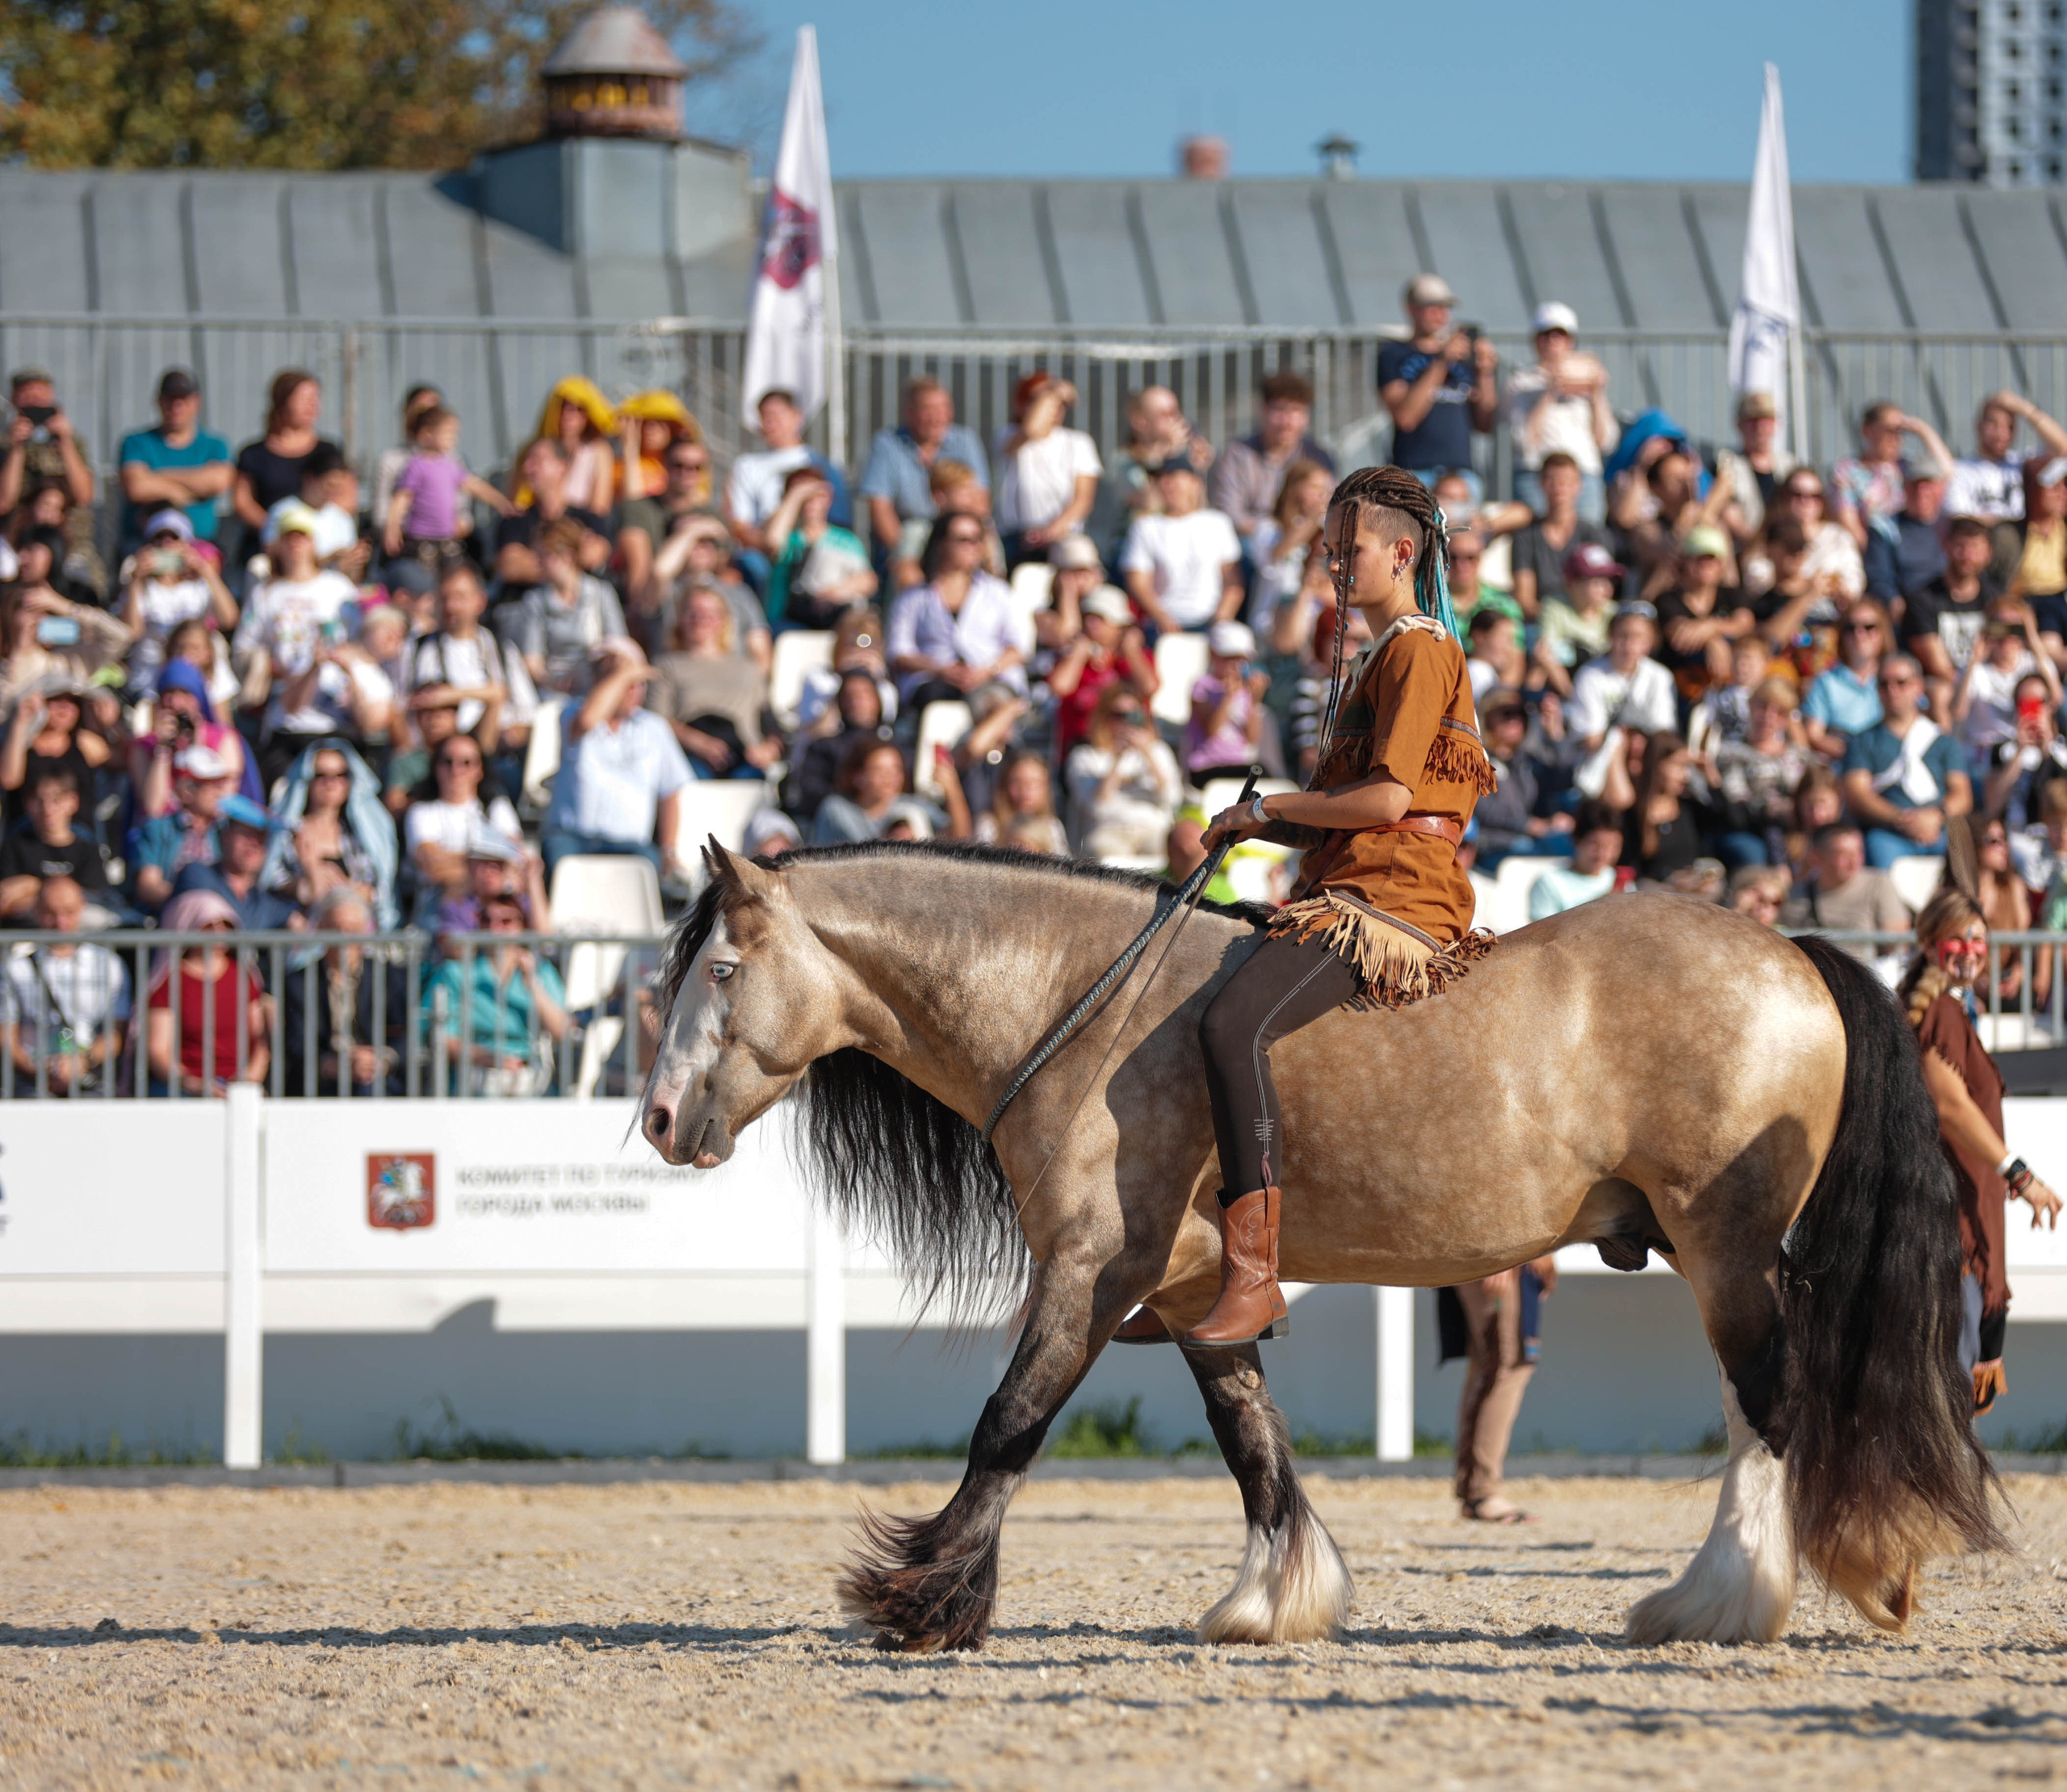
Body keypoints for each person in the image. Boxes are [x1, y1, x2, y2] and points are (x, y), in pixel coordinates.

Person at [1160, 467, 1492, 1348]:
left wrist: (1265, 811)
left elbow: (1385, 805)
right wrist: (1256, 824)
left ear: (1402, 552)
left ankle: (1250, 1277)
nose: (1336, 569)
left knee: (1230, 1028)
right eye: (1328, 554)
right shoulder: (1386, 656)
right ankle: (1202, 1266)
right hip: (1347, 882)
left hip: (1390, 898)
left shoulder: (1420, 649)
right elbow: (1338, 820)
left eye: (1349, 554)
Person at [1902, 885, 2062, 1416]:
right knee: (1946, 1405)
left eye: (1979, 939)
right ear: (1930, 945)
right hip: (1950, 1234)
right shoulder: (1941, 1011)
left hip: (1962, 1224)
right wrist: (2020, 1175)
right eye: (1959, 939)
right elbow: (1949, 1104)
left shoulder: (1945, 1009)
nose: (1972, 949)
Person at [234, 507, 388, 781]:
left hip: (337, 715)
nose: (296, 544)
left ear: (314, 543)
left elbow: (364, 643)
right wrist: (270, 668)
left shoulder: (339, 587)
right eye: (289, 537)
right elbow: (243, 649)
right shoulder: (265, 593)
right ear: (278, 543)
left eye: (303, 536)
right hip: (286, 715)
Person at [541, 643, 691, 876]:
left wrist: (668, 851)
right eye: (619, 681)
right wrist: (626, 673)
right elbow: (588, 719)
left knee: (652, 874)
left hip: (630, 845)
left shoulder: (655, 727)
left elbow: (669, 793)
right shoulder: (571, 712)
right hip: (573, 839)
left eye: (635, 682)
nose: (630, 689)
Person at [422, 888, 570, 1097]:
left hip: (531, 1080)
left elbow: (561, 1030)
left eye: (506, 921)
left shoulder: (541, 971)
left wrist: (533, 986)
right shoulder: (456, 972)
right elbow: (441, 1036)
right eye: (486, 919)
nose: (494, 928)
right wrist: (485, 1058)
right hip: (475, 1081)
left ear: (522, 926)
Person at [1445, 1254, 1557, 1523]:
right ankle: (1482, 1492)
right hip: (1503, 1256)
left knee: (1491, 1367)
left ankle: (1476, 1491)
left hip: (1501, 1255)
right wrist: (1503, 1257)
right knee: (1507, 1366)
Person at [0, 876, 129, 1095]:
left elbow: (115, 1034)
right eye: (51, 913)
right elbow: (6, 1037)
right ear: (37, 911)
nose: (61, 923)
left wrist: (82, 1062)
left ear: (83, 907)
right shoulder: (15, 967)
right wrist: (39, 1072)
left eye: (69, 912)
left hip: (89, 1078)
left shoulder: (108, 964)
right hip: (30, 1081)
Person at [1842, 654, 1972, 867]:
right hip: (1887, 834)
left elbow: (1962, 794)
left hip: (1940, 830)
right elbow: (1857, 795)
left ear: (1918, 686)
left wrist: (1936, 817)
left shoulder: (1943, 741)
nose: (1892, 690)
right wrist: (1904, 820)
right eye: (1884, 684)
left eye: (1901, 682)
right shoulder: (1862, 741)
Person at [279, 889, 411, 1097]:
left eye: (352, 930)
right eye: (336, 929)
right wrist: (330, 1065)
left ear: (366, 931)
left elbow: (408, 1034)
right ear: (321, 930)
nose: (344, 939)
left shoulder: (390, 977)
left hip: (378, 1079)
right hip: (322, 1083)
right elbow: (295, 1043)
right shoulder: (298, 983)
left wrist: (381, 1059)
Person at [887, 516, 1025, 710]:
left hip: (992, 678)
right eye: (964, 540)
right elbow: (899, 652)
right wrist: (940, 669)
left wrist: (987, 671)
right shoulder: (912, 598)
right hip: (933, 682)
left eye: (978, 539)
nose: (973, 546)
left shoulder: (999, 593)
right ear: (941, 544)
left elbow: (1019, 646)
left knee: (993, 702)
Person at [1377, 276, 1499, 492]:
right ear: (1411, 309)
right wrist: (1441, 362)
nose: (1441, 314)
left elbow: (1485, 423)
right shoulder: (1393, 355)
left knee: (1463, 528)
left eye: (1446, 307)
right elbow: (1406, 417)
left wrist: (1485, 373)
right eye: (1432, 307)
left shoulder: (1463, 356)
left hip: (1462, 475)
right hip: (1413, 472)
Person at [262, 739, 400, 928]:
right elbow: (272, 883)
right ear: (307, 780)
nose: (331, 783)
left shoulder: (361, 834)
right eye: (321, 775)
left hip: (356, 941)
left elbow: (377, 891)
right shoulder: (287, 834)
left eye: (340, 775)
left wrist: (338, 887)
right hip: (301, 941)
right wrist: (312, 873)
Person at [145, 888, 269, 1096]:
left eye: (224, 924)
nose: (218, 931)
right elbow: (158, 1050)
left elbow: (261, 1043)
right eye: (208, 925)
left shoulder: (243, 977)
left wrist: (247, 1082)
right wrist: (192, 1084)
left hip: (238, 1086)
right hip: (184, 1090)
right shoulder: (170, 981)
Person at [648, 586, 778, 781]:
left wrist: (769, 749)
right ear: (681, 619)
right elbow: (656, 721)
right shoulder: (666, 666)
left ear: (723, 620)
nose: (702, 619)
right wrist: (699, 743)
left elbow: (768, 720)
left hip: (744, 755)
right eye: (694, 612)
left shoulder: (748, 668)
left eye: (710, 613)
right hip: (689, 754)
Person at [859, 378, 989, 569]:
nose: (937, 417)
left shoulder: (966, 441)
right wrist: (907, 558)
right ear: (910, 413)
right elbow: (880, 508)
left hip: (958, 532)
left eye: (943, 408)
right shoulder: (887, 444)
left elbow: (981, 502)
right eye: (928, 409)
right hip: (909, 537)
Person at [1503, 303, 1616, 522]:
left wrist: (1597, 393)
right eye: (1546, 335)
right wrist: (1550, 392)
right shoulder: (1520, 382)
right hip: (1537, 477)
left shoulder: (1587, 380)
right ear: (1536, 341)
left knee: (1585, 545)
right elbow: (1523, 440)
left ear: (1570, 341)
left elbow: (1606, 441)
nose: (1553, 343)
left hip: (1584, 478)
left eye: (1560, 336)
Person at [1207, 371, 1336, 547]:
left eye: (1296, 411)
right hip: (1250, 545)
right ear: (1263, 410)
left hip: (1305, 541)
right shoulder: (1238, 454)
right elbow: (1229, 512)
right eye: (1280, 410)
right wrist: (1271, 536)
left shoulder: (1318, 457)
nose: (1287, 422)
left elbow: (1331, 507)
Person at [381, 404, 514, 574]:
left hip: (447, 538)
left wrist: (502, 503)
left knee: (452, 574)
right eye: (448, 433)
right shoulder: (417, 466)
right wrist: (392, 528)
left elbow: (475, 486)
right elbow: (402, 498)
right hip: (421, 539)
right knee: (424, 578)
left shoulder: (451, 466)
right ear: (426, 434)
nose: (453, 439)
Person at [117, 509, 239, 693]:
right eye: (159, 539)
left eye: (174, 539)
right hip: (151, 677)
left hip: (199, 673)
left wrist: (205, 571)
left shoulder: (199, 586)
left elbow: (229, 619)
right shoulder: (140, 586)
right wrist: (135, 582)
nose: (166, 544)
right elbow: (131, 632)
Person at [505, 517, 628, 695]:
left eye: (545, 556)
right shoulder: (535, 601)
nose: (538, 564)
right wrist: (555, 683)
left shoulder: (602, 593)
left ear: (568, 557)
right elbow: (533, 662)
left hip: (599, 689)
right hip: (554, 693)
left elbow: (619, 645)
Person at [404, 728, 524, 910]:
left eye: (466, 762)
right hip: (439, 904)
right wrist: (489, 864)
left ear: (480, 769)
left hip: (493, 907)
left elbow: (515, 858)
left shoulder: (498, 808)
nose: (456, 770)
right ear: (436, 767)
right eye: (448, 761)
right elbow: (431, 864)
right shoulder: (421, 811)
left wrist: (453, 863)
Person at [726, 388, 849, 565]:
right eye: (764, 417)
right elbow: (740, 525)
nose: (769, 424)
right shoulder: (746, 465)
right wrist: (771, 545)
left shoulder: (822, 466)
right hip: (762, 555)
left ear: (797, 416)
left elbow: (837, 522)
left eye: (776, 416)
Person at [117, 368, 233, 552]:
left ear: (197, 402)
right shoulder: (136, 442)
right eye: (170, 399)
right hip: (145, 544)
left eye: (184, 400)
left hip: (199, 544)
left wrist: (157, 477)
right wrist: (192, 490)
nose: (176, 406)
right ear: (159, 401)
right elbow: (137, 488)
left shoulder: (215, 444)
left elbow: (218, 482)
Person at [1120, 459, 1243, 632]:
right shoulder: (1145, 526)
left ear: (1195, 483)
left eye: (1173, 476)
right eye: (1161, 478)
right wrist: (1162, 618)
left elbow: (1233, 582)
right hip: (1162, 624)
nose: (1166, 483)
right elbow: (1138, 582)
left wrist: (1220, 620)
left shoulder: (1218, 523)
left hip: (1210, 621)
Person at [1062, 684, 1183, 859]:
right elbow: (1094, 807)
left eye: (1134, 715)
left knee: (1174, 853)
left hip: (1153, 829)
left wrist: (1148, 755)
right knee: (1104, 852)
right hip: (1109, 829)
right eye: (1118, 716)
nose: (1126, 723)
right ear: (1103, 717)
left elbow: (1173, 798)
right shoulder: (1084, 756)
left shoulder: (1158, 751)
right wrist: (1118, 760)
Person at [993, 373, 1101, 566]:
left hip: (1063, 537)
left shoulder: (1078, 442)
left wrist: (1050, 532)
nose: (1052, 406)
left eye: (1059, 403)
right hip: (1015, 538)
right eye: (1038, 400)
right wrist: (1054, 391)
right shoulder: (1007, 436)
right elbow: (1032, 430)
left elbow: (1083, 500)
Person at [1905, 516, 2001, 723]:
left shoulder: (1995, 600)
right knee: (1940, 693)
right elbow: (1937, 664)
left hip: (1987, 678)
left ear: (1988, 554)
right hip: (1947, 683)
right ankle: (1951, 754)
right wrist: (1968, 683)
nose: (1967, 555)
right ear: (1946, 546)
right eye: (1960, 546)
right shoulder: (1923, 598)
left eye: (1975, 548)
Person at [230, 370, 335, 559]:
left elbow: (347, 497)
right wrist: (278, 528)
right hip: (265, 548)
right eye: (304, 399)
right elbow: (242, 502)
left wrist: (307, 529)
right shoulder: (253, 454)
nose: (312, 405)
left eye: (315, 398)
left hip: (318, 548)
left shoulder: (328, 451)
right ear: (283, 402)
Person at [618, 432, 719, 626]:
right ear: (664, 465)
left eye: (696, 467)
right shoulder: (640, 509)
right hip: (659, 605)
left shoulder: (712, 514)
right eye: (679, 465)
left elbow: (724, 571)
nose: (687, 473)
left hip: (704, 606)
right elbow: (639, 589)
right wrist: (693, 532)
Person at [1046, 583, 1156, 755]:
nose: (1092, 624)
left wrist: (1133, 652)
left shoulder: (1136, 659)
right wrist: (1078, 655)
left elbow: (1149, 688)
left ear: (1119, 625)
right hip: (1082, 748)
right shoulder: (1071, 657)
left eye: (1101, 618)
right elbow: (1059, 687)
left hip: (1130, 745)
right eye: (1088, 617)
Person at [0, 579, 133, 720]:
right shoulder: (6, 668)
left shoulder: (64, 661)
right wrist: (20, 651)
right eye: (29, 610)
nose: (37, 618)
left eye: (44, 611)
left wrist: (66, 607)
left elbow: (121, 636)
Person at [1711, 680, 1809, 869]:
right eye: (1762, 707)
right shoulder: (1732, 754)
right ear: (1750, 706)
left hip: (1796, 827)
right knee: (1753, 853)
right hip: (1751, 829)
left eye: (1779, 712)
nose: (1768, 717)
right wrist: (1773, 809)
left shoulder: (1799, 755)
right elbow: (1736, 803)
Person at [763, 467, 877, 630]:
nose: (809, 503)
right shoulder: (788, 538)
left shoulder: (846, 540)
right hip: (788, 623)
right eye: (803, 497)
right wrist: (796, 495)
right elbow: (772, 542)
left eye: (816, 496)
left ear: (828, 498)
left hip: (835, 621)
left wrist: (834, 593)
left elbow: (868, 581)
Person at [1830, 403, 1953, 552]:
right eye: (1889, 431)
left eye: (1901, 432)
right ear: (1868, 430)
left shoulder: (1907, 466)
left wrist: (1922, 430)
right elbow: (1849, 522)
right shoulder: (1848, 471)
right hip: (1874, 551)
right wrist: (1876, 555)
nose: (1896, 438)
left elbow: (1947, 472)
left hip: (1912, 547)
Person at [492, 438, 610, 591]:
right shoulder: (515, 522)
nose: (528, 468)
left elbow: (595, 554)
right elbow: (511, 566)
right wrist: (569, 556)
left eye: (537, 461)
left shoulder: (587, 518)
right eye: (527, 462)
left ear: (563, 466)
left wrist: (536, 558)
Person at [128, 743, 233, 913]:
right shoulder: (157, 828)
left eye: (220, 784)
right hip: (171, 918)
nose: (219, 792)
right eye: (210, 784)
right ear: (186, 792)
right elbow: (148, 886)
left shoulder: (227, 830)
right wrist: (190, 900)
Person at [1508, 453, 1612, 623]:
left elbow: (1602, 592)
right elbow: (1524, 599)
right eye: (1552, 480)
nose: (1559, 487)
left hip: (1588, 622)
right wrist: (1556, 620)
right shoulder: (1525, 537)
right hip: (1543, 623)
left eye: (1567, 481)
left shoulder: (1595, 534)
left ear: (1579, 486)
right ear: (1541, 484)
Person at [172, 794, 301, 931]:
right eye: (246, 834)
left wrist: (310, 865)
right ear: (226, 836)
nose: (254, 844)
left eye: (261, 837)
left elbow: (304, 927)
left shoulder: (262, 901)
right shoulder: (197, 875)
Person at [1, 369, 95, 553]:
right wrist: (16, 449)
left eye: (41, 394)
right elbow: (4, 502)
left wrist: (65, 443)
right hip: (18, 540)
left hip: (72, 542)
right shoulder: (5, 444)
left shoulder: (73, 442)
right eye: (27, 394)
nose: (35, 400)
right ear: (14, 400)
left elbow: (84, 496)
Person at [1952, 601, 2059, 764]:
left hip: (2027, 751)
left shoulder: (2033, 663)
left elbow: (2056, 699)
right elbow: (1958, 712)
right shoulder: (1976, 670)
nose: (2007, 635)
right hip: (1986, 754)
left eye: (2014, 627)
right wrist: (1974, 659)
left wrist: (2032, 638)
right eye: (2000, 626)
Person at [1474, 687, 1570, 867]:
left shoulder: (1527, 762)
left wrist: (1555, 733)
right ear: (1487, 718)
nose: (1516, 719)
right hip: (1495, 847)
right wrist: (1529, 825)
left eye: (1521, 713)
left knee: (1570, 847)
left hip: (1530, 843)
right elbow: (1484, 809)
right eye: (1508, 713)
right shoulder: (1478, 759)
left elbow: (1562, 782)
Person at [1779, 821, 1913, 949]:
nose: (1854, 860)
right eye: (1842, 853)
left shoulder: (1878, 885)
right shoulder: (1794, 894)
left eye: (1858, 851)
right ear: (1816, 858)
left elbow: (1897, 945)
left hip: (1862, 969)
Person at [0, 767, 110, 919]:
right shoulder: (14, 846)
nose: (48, 808)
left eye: (57, 800)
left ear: (73, 802)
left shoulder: (89, 850)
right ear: (27, 804)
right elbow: (5, 900)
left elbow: (91, 902)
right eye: (39, 800)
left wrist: (32, 885)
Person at [1567, 602, 1677, 754]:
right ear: (1610, 635)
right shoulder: (1590, 675)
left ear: (1651, 641)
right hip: (1600, 759)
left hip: (1648, 755)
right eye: (1623, 635)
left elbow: (1663, 732)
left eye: (1638, 637)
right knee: (1615, 741)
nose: (1629, 645)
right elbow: (1591, 741)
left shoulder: (1660, 676)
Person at [1947, 388, 2067, 523]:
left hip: (2019, 541)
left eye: (2009, 427)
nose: (2001, 433)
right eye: (1994, 424)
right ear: (1979, 426)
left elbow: (2063, 448)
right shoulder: (1960, 469)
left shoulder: (2020, 464)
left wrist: (2023, 408)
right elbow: (1960, 519)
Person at [1245, 459, 1334, 631]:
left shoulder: (1327, 531)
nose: (1322, 495)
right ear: (1295, 487)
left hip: (1312, 623)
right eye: (1314, 487)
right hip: (1271, 622)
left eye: (1325, 489)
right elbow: (1274, 556)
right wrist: (1311, 520)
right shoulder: (1268, 528)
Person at [1184, 621, 1271, 783]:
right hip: (1206, 766)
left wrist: (1255, 700)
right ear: (1213, 655)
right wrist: (1228, 697)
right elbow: (1211, 731)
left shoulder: (1245, 692)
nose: (1235, 666)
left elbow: (1253, 738)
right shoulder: (1201, 686)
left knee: (1267, 777)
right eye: (1229, 658)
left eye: (1241, 660)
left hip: (1238, 764)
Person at [1531, 541, 1620, 697]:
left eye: (1608, 580)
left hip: (1607, 686)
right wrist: (1574, 697)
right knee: (1540, 661)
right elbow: (1546, 656)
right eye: (1596, 581)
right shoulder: (1554, 608)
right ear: (1572, 583)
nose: (1605, 587)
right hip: (1567, 685)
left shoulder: (1613, 612)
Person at [1802, 601, 1889, 761]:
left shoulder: (1896, 678)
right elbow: (1814, 735)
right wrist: (1857, 756)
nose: (1859, 634)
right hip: (1841, 765)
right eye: (1850, 628)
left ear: (1884, 633)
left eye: (1869, 627)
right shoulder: (1825, 681)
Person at [1711, 391, 1798, 542]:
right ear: (1739, 424)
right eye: (1752, 420)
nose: (1760, 427)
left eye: (1766, 420)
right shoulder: (1726, 464)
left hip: (1788, 546)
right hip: (1747, 546)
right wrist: (1757, 544)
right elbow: (1728, 511)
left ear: (1776, 424)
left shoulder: (1790, 465)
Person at [1622, 733, 1709, 883]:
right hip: (1654, 897)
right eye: (1678, 766)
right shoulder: (1632, 816)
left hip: (1693, 894)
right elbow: (1630, 871)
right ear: (1657, 765)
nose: (1684, 776)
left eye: (1686, 767)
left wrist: (1711, 777)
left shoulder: (1690, 807)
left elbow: (1732, 820)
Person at [528, 377, 618, 515]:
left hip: (580, 528)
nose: (569, 414)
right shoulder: (538, 449)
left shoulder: (598, 451)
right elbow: (518, 502)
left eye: (578, 409)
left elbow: (599, 508)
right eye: (564, 406)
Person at [1864, 463, 1948, 604]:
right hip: (1906, 609)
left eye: (1928, 485)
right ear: (1904, 489)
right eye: (1915, 485)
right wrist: (1893, 600)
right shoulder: (1886, 528)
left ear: (1942, 489)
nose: (1922, 492)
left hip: (1948, 606)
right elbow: (1879, 577)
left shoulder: (1952, 527)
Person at [812, 738, 921, 845]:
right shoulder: (836, 811)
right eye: (878, 770)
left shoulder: (914, 808)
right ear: (857, 776)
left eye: (896, 769)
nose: (889, 778)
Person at [1527, 801, 1625, 919]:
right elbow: (1541, 934)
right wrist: (1601, 906)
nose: (1603, 854)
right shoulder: (1549, 883)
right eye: (1595, 844)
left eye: (1612, 846)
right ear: (1577, 840)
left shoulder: (1619, 881)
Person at [973, 749, 1068, 855]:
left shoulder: (1053, 826)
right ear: (1004, 784)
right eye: (1017, 782)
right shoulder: (989, 825)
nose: (1025, 790)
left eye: (1034, 783)